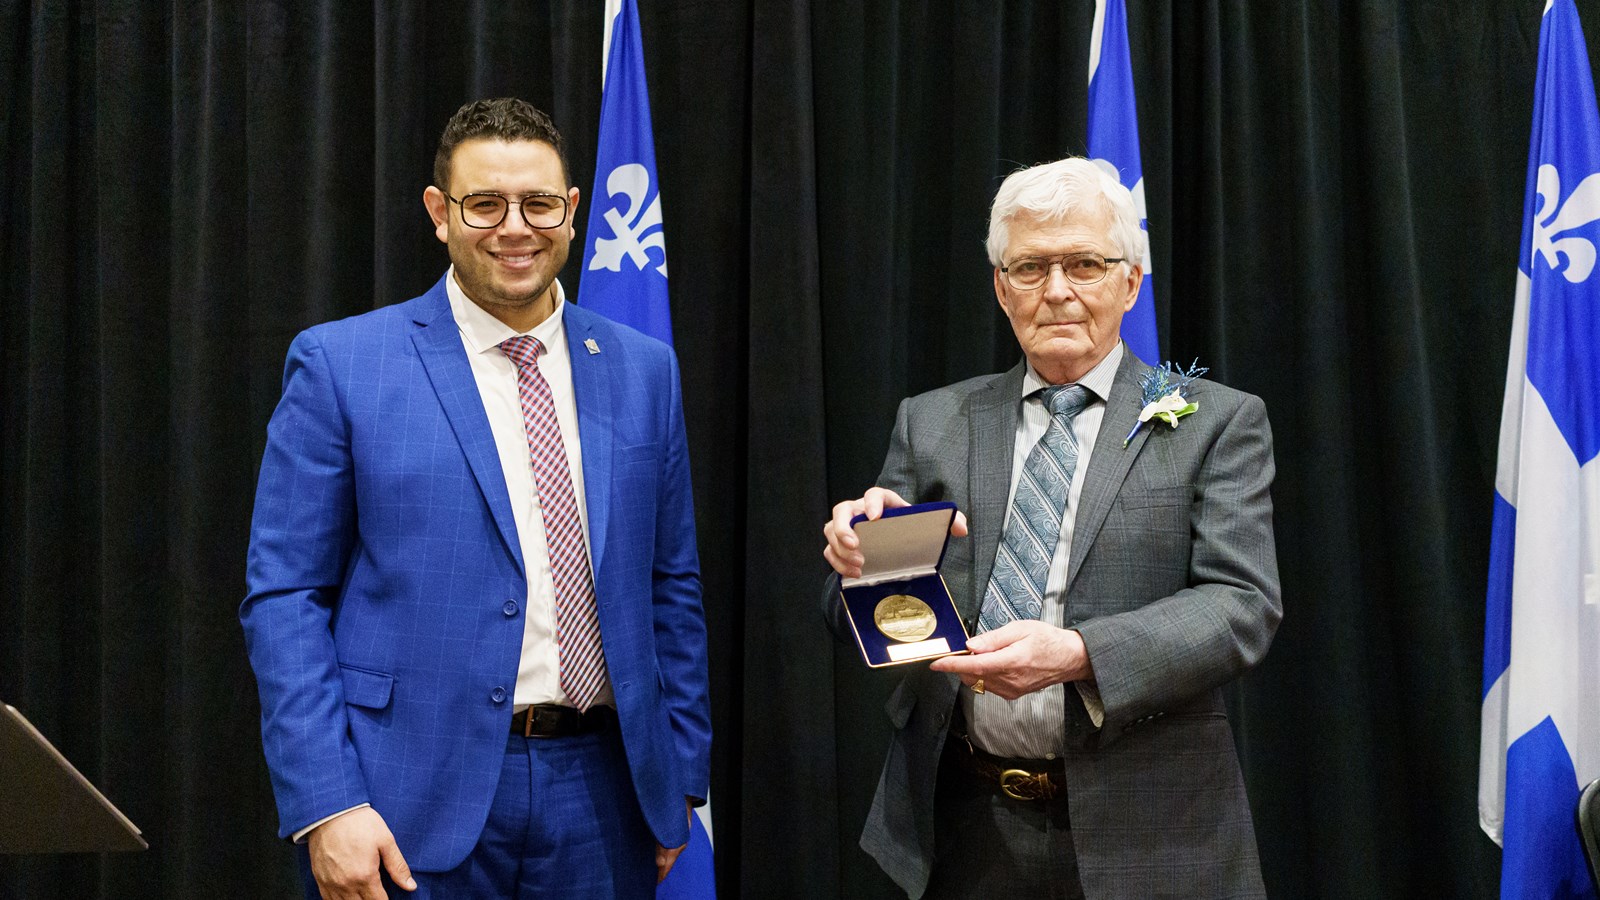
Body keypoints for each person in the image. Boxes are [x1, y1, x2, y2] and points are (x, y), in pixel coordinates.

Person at [242, 97, 710, 900]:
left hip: (606, 801)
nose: (515, 228)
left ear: (572, 212)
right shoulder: (342, 366)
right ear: (439, 212)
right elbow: (284, 597)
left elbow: (672, 585)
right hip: (403, 801)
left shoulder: (643, 371)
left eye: (538, 204)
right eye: (485, 204)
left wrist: (681, 780)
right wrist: (328, 802)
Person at [822, 157, 1281, 899]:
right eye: (1031, 267)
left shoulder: (1217, 423)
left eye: (1085, 264)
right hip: (965, 830)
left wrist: (1077, 654)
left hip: (1152, 831)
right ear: (1002, 289)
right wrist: (862, 560)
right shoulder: (931, 422)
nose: (1057, 290)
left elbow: (1242, 605)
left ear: (1130, 283)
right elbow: (868, 622)